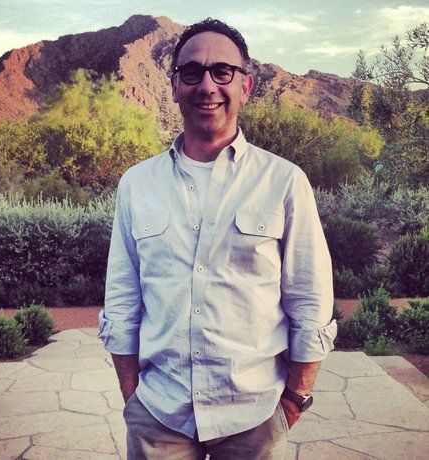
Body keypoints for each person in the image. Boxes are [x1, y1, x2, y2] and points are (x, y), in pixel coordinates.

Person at [98, 18, 337, 459]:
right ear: (174, 86)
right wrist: (132, 397)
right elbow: (122, 298)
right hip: (159, 415)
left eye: (222, 71)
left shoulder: (284, 182)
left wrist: (294, 398)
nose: (207, 85)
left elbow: (310, 298)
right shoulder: (136, 184)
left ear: (245, 86)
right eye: (192, 72)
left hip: (255, 415)